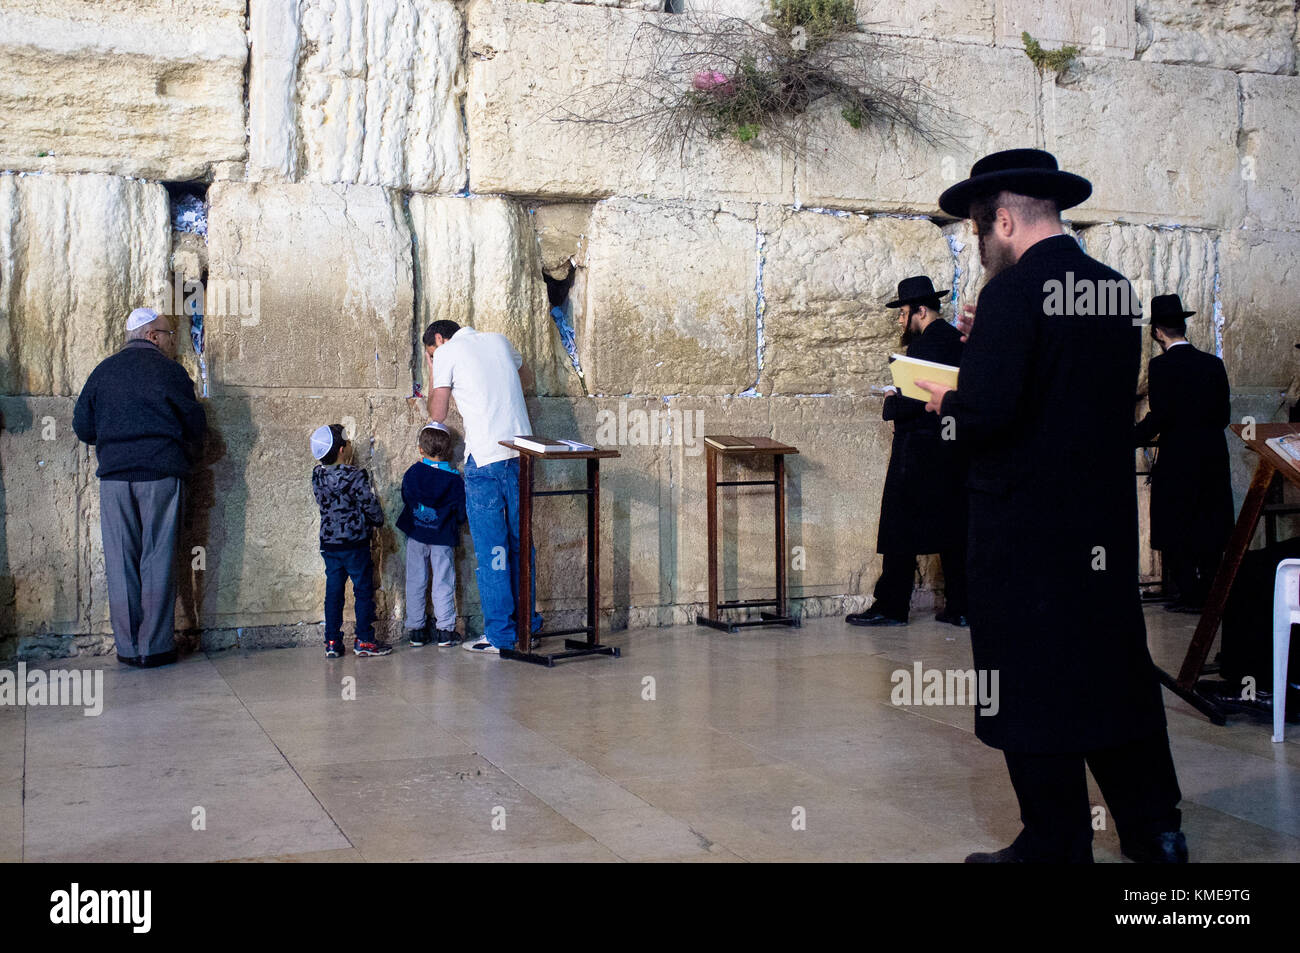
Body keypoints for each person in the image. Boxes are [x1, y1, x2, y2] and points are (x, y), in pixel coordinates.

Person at [915, 149, 1186, 864]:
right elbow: (1072, 397)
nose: (981, 245)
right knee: (1111, 667)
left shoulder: (1012, 294)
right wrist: (988, 347)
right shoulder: (1113, 290)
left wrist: (948, 398)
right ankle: (1155, 829)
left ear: (1003, 219)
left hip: (1023, 530)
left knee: (1029, 679)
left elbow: (990, 415)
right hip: (1097, 524)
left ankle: (1056, 838)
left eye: (980, 231)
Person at [73, 307, 206, 668]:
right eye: (167, 334)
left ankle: (129, 649)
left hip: (115, 479)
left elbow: (83, 428)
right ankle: (155, 646)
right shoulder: (170, 372)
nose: (170, 341)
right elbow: (196, 426)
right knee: (158, 559)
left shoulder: (103, 372)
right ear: (151, 336)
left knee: (121, 562)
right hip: (161, 476)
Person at [848, 275, 968, 628]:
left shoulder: (922, 349)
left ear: (920, 311)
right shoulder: (958, 342)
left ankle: (891, 605)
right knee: (953, 529)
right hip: (953, 450)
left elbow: (910, 405)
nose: (901, 321)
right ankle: (962, 605)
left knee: (898, 528)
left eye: (902, 314)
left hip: (917, 450)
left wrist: (889, 398)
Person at [421, 320, 542, 656]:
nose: (435, 355)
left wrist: (434, 367)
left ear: (439, 339)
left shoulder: (446, 352)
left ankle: (501, 636)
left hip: (487, 460)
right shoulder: (499, 340)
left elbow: (438, 414)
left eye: (431, 350)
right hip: (523, 454)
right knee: (521, 545)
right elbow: (525, 378)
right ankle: (527, 626)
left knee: (494, 552)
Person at [1133, 294, 1234, 612]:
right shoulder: (1213, 364)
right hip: (1212, 458)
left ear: (1158, 332)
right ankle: (1208, 592)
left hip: (1178, 459)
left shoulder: (1161, 367)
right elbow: (1223, 416)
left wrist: (1128, 438)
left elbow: (1160, 416)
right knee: (1209, 523)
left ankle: (1190, 594)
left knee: (1175, 525)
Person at [310, 424, 389, 658]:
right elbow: (368, 503)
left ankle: (332, 641)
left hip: (330, 544)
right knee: (363, 590)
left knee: (333, 592)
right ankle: (364, 639)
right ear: (343, 449)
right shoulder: (355, 475)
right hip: (355, 544)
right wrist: (378, 520)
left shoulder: (317, 475)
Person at [397, 423, 466, 647]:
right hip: (443, 536)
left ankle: (416, 630)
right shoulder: (455, 480)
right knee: (443, 581)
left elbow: (406, 497)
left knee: (416, 580)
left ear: (420, 449)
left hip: (416, 533)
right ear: (448, 451)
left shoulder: (413, 472)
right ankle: (445, 630)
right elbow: (461, 513)